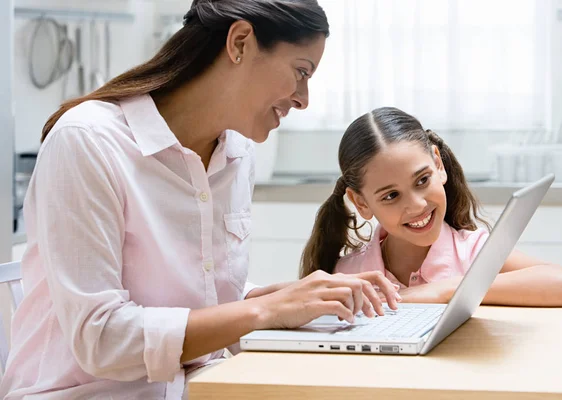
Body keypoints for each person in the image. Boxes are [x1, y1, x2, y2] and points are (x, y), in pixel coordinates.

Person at [0, 2, 399, 399]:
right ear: (240, 42)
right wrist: (265, 311)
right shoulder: (87, 141)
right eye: (300, 72)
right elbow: (101, 337)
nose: (303, 99)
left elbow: (207, 296)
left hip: (198, 385)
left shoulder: (237, 152)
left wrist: (298, 299)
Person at [301, 107, 562, 307]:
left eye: (422, 180)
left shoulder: (475, 253)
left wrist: (446, 290)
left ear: (438, 165)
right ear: (361, 203)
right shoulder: (348, 275)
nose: (417, 205)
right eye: (391, 196)